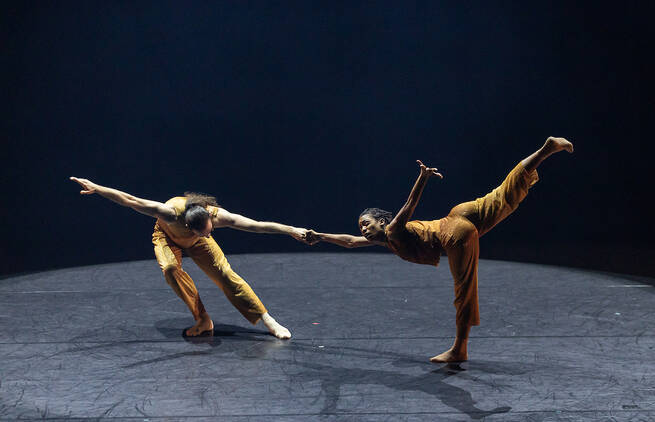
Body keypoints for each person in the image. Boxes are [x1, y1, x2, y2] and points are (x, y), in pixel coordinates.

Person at [307, 137, 573, 362]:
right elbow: (350, 241)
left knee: (464, 290)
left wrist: (422, 178)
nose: (363, 230)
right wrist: (320, 236)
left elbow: (409, 205)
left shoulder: (392, 231)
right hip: (458, 214)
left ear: (382, 221)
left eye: (366, 224)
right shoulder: (386, 238)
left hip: (455, 234)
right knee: (503, 194)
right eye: (361, 226)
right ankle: (547, 149)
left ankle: (459, 349)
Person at [69, 177, 310, 339]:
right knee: (171, 269)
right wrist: (98, 188)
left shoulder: (214, 217)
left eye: (210, 228)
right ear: (188, 224)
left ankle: (268, 321)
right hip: (166, 237)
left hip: (194, 242)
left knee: (226, 274)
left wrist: (291, 230)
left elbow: (257, 226)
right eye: (205, 231)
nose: (211, 232)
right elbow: (132, 200)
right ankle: (203, 320)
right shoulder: (169, 214)